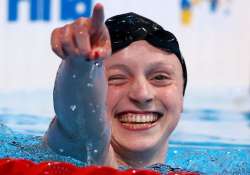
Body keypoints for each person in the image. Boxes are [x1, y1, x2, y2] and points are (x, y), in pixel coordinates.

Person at [43, 3, 187, 169]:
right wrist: (80, 64)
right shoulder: (87, 156)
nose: (142, 94)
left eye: (160, 77)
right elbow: (81, 126)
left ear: (182, 96)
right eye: (117, 78)